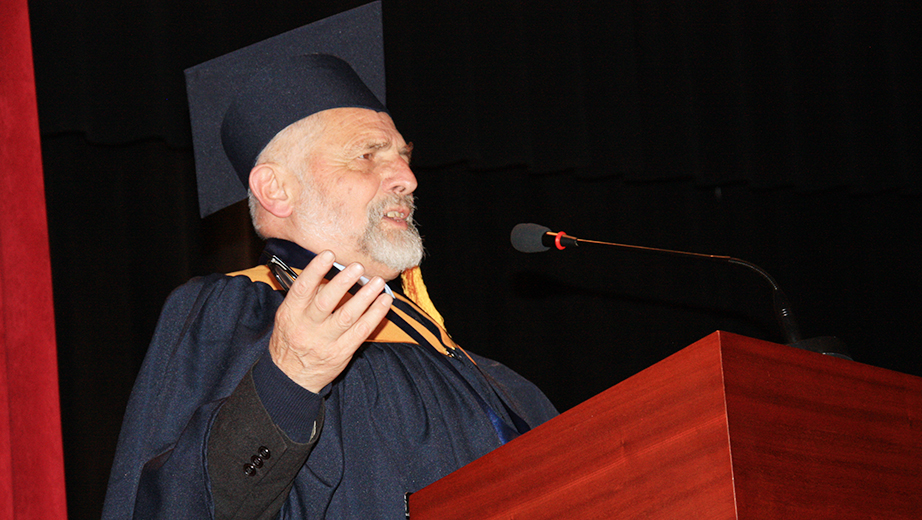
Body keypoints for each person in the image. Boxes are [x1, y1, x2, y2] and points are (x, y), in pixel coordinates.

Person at [102, 4, 557, 519]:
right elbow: (185, 506)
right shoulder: (232, 313)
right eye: (368, 154)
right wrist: (288, 379)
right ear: (275, 188)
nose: (407, 178)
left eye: (403, 156)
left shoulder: (474, 369)